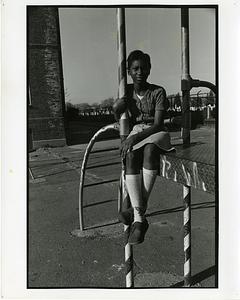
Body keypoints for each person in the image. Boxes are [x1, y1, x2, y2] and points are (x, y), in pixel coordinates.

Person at [113, 50, 175, 245]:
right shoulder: (126, 93)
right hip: (136, 132)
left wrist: (134, 138)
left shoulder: (158, 91)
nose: (140, 72)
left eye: (143, 68)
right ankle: (139, 217)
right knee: (130, 157)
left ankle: (137, 211)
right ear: (129, 71)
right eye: (135, 68)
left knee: (149, 150)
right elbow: (121, 121)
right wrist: (116, 109)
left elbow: (157, 124)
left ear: (149, 69)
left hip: (156, 133)